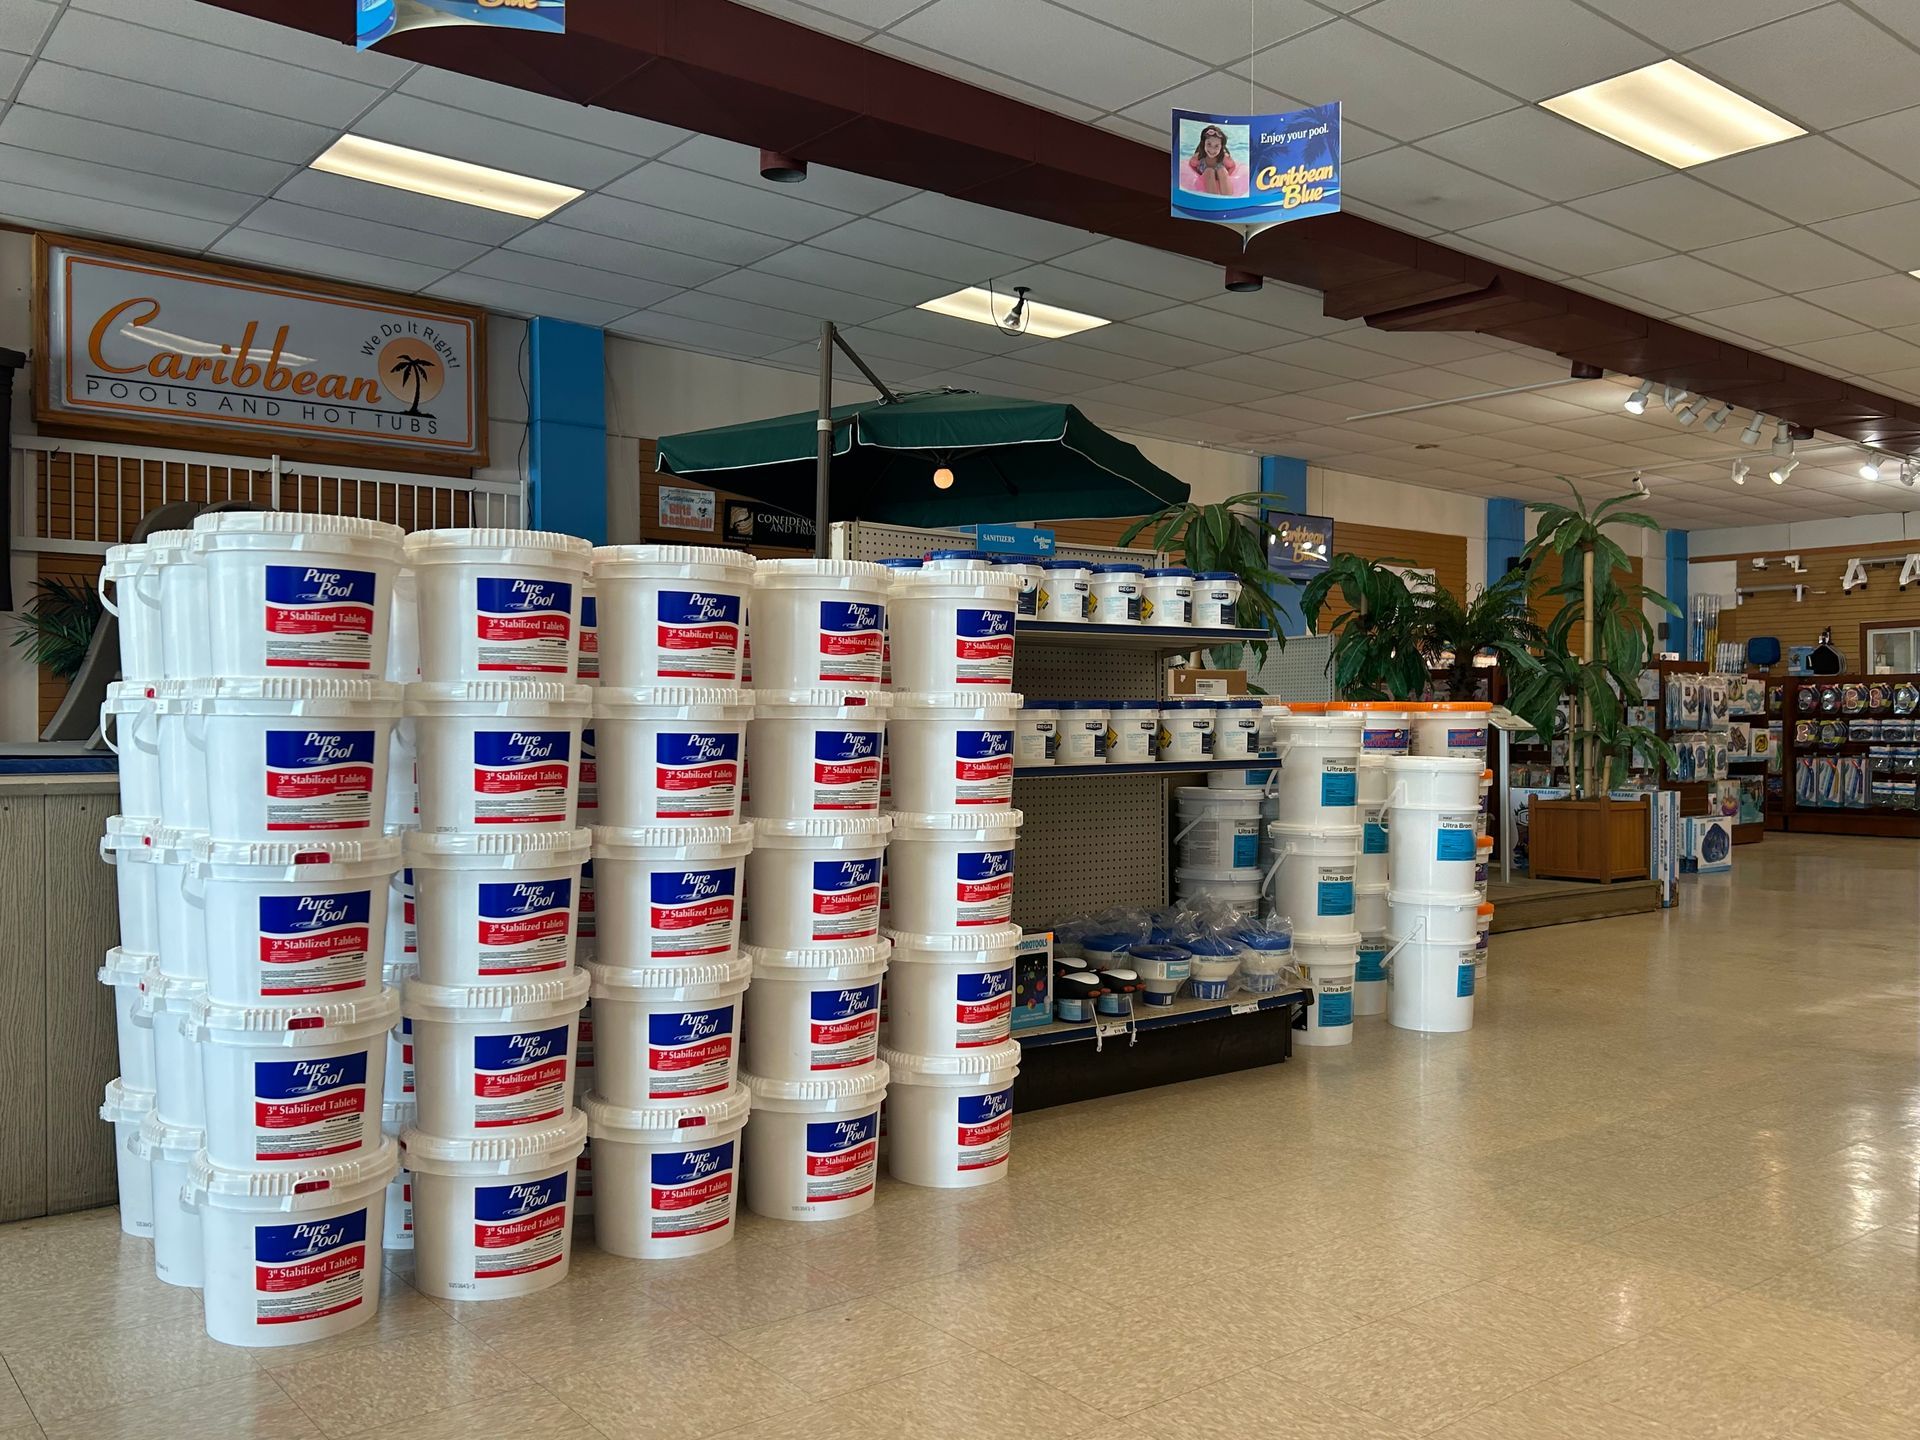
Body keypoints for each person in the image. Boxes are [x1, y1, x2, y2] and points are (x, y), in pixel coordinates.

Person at [1186, 125, 1238, 195]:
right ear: (1204, 143)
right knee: (1209, 171)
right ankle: (1213, 198)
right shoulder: (1198, 157)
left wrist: (1227, 176)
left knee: (1222, 170)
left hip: (1221, 175)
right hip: (1206, 175)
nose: (1212, 149)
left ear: (1221, 147)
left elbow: (1232, 166)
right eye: (1209, 144)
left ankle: (1227, 198)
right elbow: (1191, 165)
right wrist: (1198, 176)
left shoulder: (1224, 157)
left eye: (1216, 146)